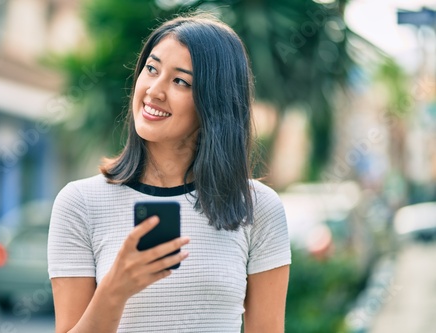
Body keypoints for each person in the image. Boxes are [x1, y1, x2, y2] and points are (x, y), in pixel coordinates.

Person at [48, 13, 291, 333]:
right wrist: (115, 289)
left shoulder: (257, 207)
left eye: (180, 81)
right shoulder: (80, 203)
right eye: (151, 69)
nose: (154, 90)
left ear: (215, 102)